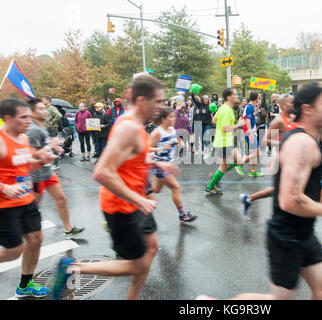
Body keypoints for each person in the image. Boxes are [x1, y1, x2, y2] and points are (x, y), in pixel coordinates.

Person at [209, 82, 322, 300]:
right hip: (287, 235)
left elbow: (298, 190)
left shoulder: (309, 138)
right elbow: (290, 200)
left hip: (303, 231)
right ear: (309, 109)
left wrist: (316, 188)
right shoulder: (301, 142)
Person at [51, 75, 172, 300]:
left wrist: (156, 162)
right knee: (138, 265)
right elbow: (102, 172)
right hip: (123, 207)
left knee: (151, 248)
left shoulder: (135, 124)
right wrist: (140, 201)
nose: (162, 107)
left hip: (136, 201)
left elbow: (133, 155)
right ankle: (72, 268)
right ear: (143, 100)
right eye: (159, 102)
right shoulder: (129, 128)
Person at [0, 98, 57, 298]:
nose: (28, 120)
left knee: (36, 239)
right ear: (8, 118)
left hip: (26, 200)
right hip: (4, 206)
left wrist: (42, 160)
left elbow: (26, 165)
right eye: (23, 117)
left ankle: (25, 284)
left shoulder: (23, 139)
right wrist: (4, 187)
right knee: (15, 250)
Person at [27, 99, 85, 239]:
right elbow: (32, 153)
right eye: (40, 109)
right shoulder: (33, 130)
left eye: (44, 108)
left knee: (61, 199)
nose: (45, 111)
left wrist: (55, 147)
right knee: (33, 208)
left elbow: (45, 148)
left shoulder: (42, 127)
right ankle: (27, 234)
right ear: (33, 113)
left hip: (47, 173)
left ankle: (68, 229)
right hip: (36, 176)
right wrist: (50, 147)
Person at [240, 93, 295, 215]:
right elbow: (265, 138)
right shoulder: (278, 121)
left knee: (283, 188)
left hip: (291, 158)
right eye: (290, 102)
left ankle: (249, 196)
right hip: (280, 157)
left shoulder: (293, 117)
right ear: (283, 105)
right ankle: (241, 162)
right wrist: (250, 133)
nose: (293, 104)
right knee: (286, 187)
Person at [149, 107, 197, 223]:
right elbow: (146, 148)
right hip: (160, 166)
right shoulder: (157, 132)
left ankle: (136, 199)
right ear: (163, 119)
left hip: (168, 164)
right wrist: (160, 148)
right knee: (175, 187)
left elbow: (170, 141)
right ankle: (182, 215)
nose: (174, 118)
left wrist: (176, 142)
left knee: (155, 189)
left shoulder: (172, 130)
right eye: (171, 116)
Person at [204, 88, 254, 196]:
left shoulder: (223, 108)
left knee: (238, 161)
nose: (237, 96)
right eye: (235, 94)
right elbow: (225, 129)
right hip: (223, 142)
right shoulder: (226, 110)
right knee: (225, 166)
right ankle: (210, 187)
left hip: (226, 141)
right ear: (229, 97)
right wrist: (239, 125)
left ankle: (216, 175)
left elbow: (214, 120)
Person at [243, 92, 264, 177]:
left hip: (253, 132)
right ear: (256, 98)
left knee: (257, 152)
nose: (260, 99)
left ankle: (253, 171)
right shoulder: (249, 107)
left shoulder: (252, 106)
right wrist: (250, 133)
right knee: (254, 153)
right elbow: (247, 121)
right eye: (259, 97)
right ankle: (239, 163)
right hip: (250, 132)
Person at [41, 95, 62, 170]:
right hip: (45, 129)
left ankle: (56, 164)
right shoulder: (44, 108)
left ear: (48, 100)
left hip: (52, 129)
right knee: (45, 146)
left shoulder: (52, 108)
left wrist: (52, 122)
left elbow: (59, 115)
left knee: (54, 147)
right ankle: (46, 162)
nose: (42, 101)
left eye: (43, 100)